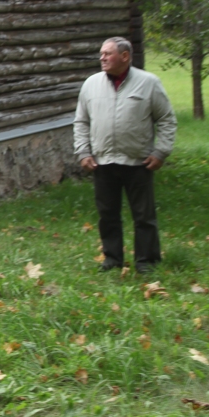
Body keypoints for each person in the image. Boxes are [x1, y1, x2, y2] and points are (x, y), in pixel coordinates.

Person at [73, 36, 175, 275]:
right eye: (101, 53)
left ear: (125, 56)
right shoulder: (91, 84)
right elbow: (81, 121)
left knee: (144, 215)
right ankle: (112, 258)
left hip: (138, 161)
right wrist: (83, 151)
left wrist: (161, 151)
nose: (102, 58)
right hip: (103, 162)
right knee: (107, 214)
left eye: (108, 53)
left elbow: (167, 119)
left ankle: (146, 261)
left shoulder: (149, 83)